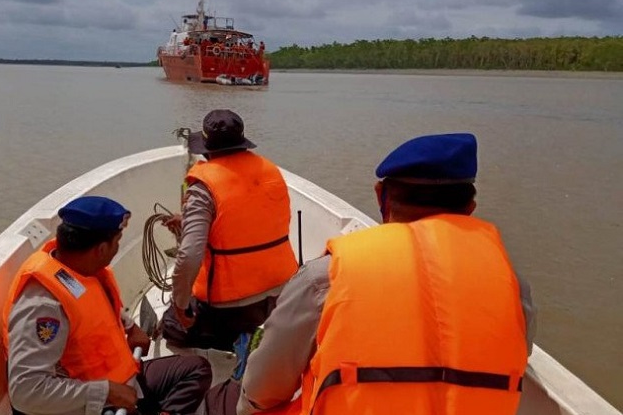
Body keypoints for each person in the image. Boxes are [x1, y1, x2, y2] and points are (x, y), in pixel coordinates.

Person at [226, 133, 537, 415]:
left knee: (229, 399)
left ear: (381, 197)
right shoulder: (512, 285)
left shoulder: (327, 276)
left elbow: (263, 390)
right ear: (470, 207)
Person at [2, 196, 212, 415]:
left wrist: (130, 327)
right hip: (89, 404)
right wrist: (106, 392)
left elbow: (91, 306)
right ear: (102, 249)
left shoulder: (78, 266)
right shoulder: (44, 306)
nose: (117, 248)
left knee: (196, 370)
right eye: (117, 241)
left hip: (120, 379)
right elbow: (25, 391)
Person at [161, 109, 299, 353]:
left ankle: (231, 345)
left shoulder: (203, 188)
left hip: (231, 306)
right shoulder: (269, 171)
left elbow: (190, 255)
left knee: (171, 325)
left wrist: (180, 305)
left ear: (206, 149)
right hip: (280, 292)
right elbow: (244, 218)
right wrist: (190, 220)